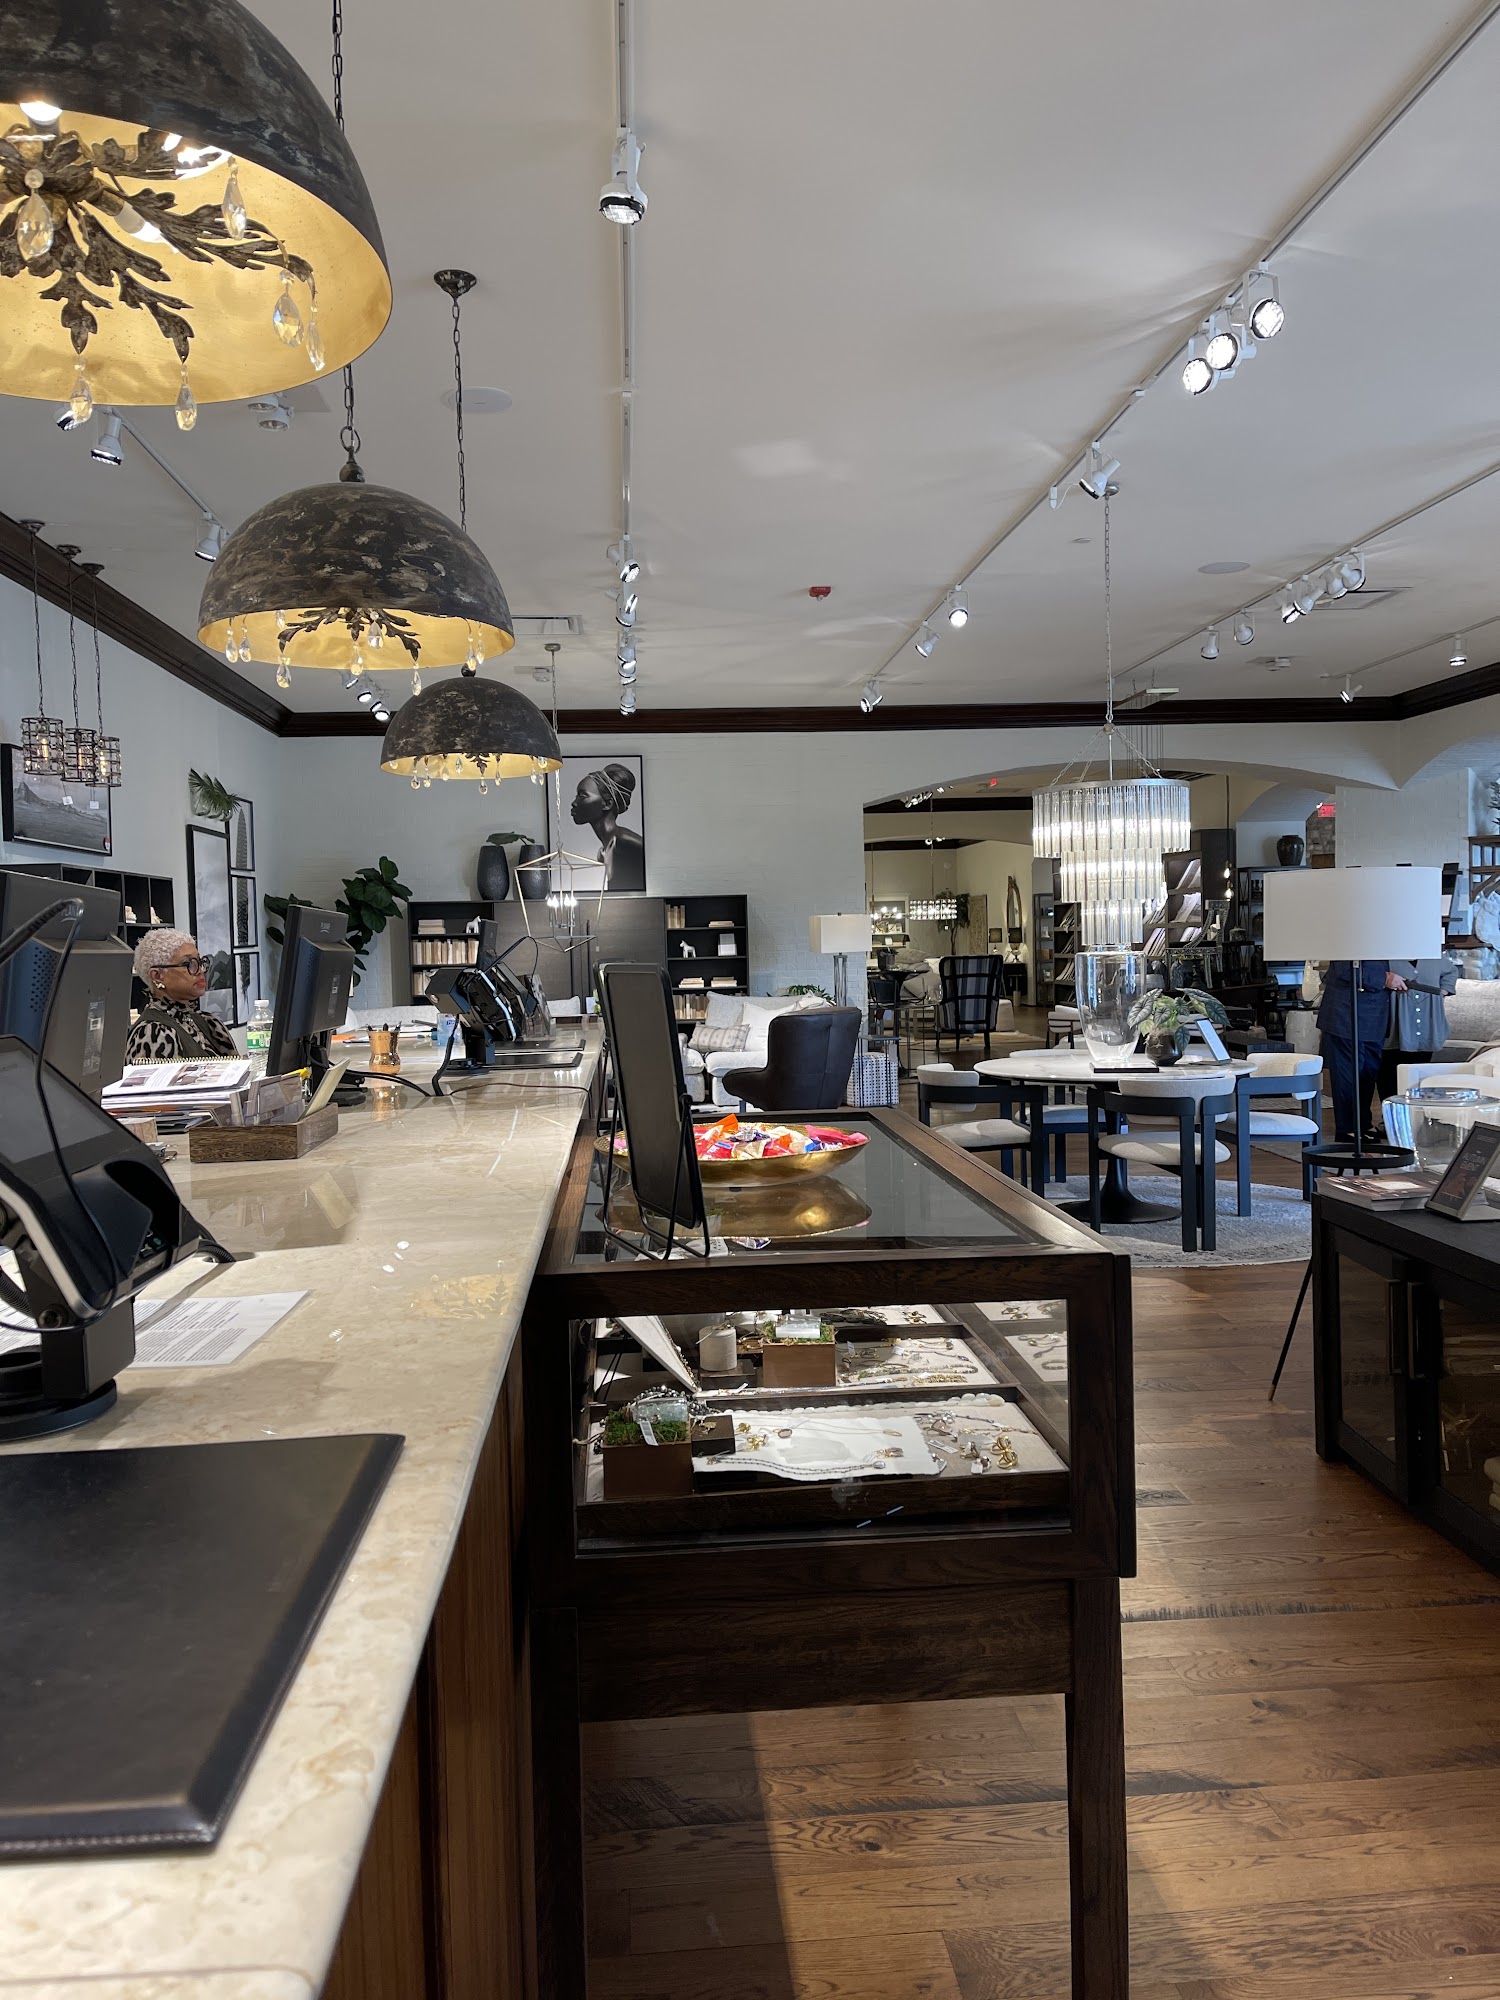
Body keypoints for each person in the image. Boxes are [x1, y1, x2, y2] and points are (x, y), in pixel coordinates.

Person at [1317, 958, 1406, 1143]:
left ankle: (1362, 1125)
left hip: (1373, 1019)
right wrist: (1385, 979)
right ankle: (1348, 1129)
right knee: (1348, 1077)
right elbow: (1344, 971)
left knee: (1367, 1074)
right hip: (1346, 1017)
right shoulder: (1348, 940)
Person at [126, 929, 238, 1062]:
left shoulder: (207, 1022)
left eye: (200, 962)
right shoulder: (152, 1033)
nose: (200, 970)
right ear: (157, 976)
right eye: (189, 964)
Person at [1379, 954, 1459, 1099]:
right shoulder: (1387, 957)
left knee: (1421, 1068)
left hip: (1427, 1021)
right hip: (1397, 1022)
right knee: (1390, 1070)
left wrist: (1444, 991)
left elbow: (1451, 971)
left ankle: (1417, 1108)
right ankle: (1392, 1108)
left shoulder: (1434, 956)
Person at [569, 763, 645, 891]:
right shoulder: (603, 853)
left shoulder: (625, 843)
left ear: (607, 804)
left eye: (583, 796)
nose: (574, 803)